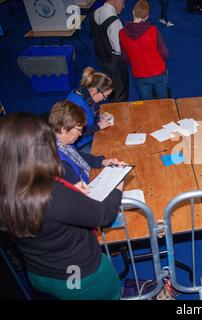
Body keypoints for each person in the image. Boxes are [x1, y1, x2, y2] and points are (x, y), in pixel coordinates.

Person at [0, 113, 123, 300]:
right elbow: (103, 215)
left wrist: (70, 191)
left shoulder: (9, 187)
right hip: (80, 276)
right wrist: (117, 186)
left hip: (37, 272)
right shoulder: (51, 193)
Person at [48, 100, 126, 190]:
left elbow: (78, 156)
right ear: (64, 129)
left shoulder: (61, 143)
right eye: (79, 130)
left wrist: (102, 161)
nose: (81, 134)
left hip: (89, 179)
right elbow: (81, 194)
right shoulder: (60, 164)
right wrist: (116, 189)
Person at [119, 0, 169, 100]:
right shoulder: (153, 30)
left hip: (140, 73)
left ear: (133, 12)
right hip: (158, 72)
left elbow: (125, 56)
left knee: (146, 104)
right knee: (163, 102)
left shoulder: (122, 33)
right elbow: (165, 54)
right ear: (147, 16)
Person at [66, 67, 114, 151]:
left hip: (90, 136)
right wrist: (98, 126)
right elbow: (75, 131)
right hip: (80, 144)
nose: (105, 99)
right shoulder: (77, 104)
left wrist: (101, 116)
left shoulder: (87, 95)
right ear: (94, 90)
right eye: (104, 96)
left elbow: (91, 113)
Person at [93, 0, 129, 102]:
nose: (123, 6)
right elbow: (119, 48)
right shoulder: (114, 22)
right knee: (120, 95)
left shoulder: (96, 12)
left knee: (109, 90)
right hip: (115, 64)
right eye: (123, 2)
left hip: (101, 59)